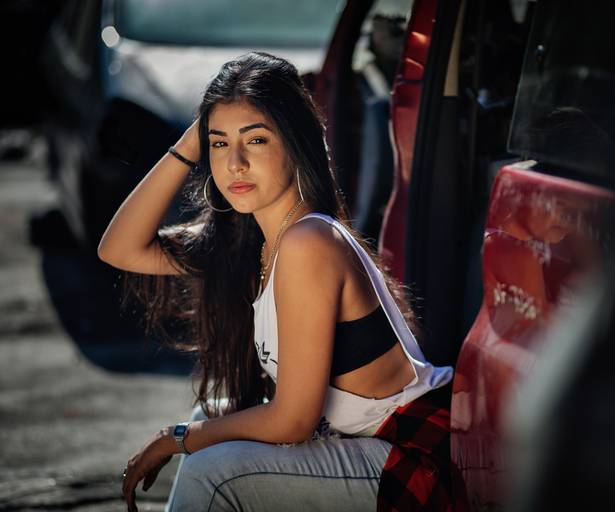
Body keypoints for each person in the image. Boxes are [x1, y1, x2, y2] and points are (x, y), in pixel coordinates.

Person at [97, 52, 455, 511]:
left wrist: (174, 440)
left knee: (212, 471)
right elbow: (119, 249)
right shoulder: (254, 245)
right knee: (208, 416)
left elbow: (293, 422)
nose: (236, 164)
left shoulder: (310, 241)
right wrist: (190, 143)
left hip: (412, 462)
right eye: (220, 144)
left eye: (257, 140)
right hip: (361, 447)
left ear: (295, 143)